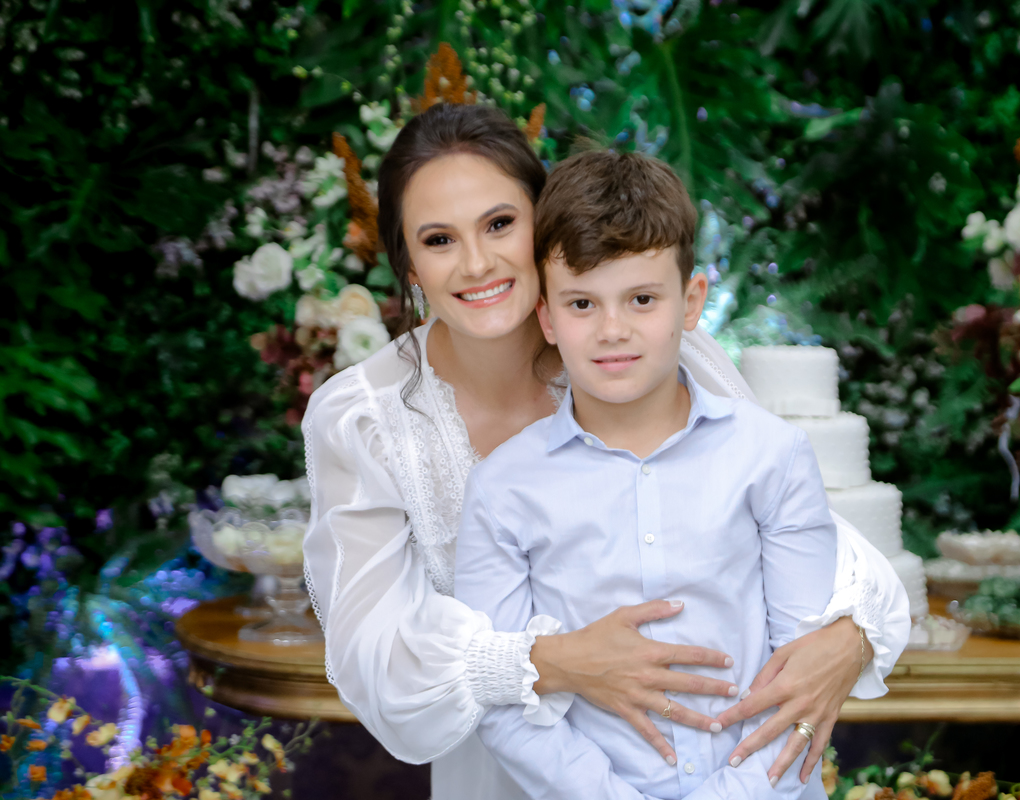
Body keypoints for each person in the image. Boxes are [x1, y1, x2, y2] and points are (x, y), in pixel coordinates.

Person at [301, 102, 911, 800]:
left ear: (543, 226)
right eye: (438, 239)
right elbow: (374, 659)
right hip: (519, 766)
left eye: (499, 224)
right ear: (408, 263)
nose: (476, 262)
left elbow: (789, 525)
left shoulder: (652, 353)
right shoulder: (365, 420)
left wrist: (849, 636)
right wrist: (554, 662)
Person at [454, 148, 848, 799]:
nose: (612, 330)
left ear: (691, 302)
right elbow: (504, 697)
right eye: (582, 304)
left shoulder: (771, 456)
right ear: (547, 317)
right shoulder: (503, 489)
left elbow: (805, 672)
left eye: (641, 299)